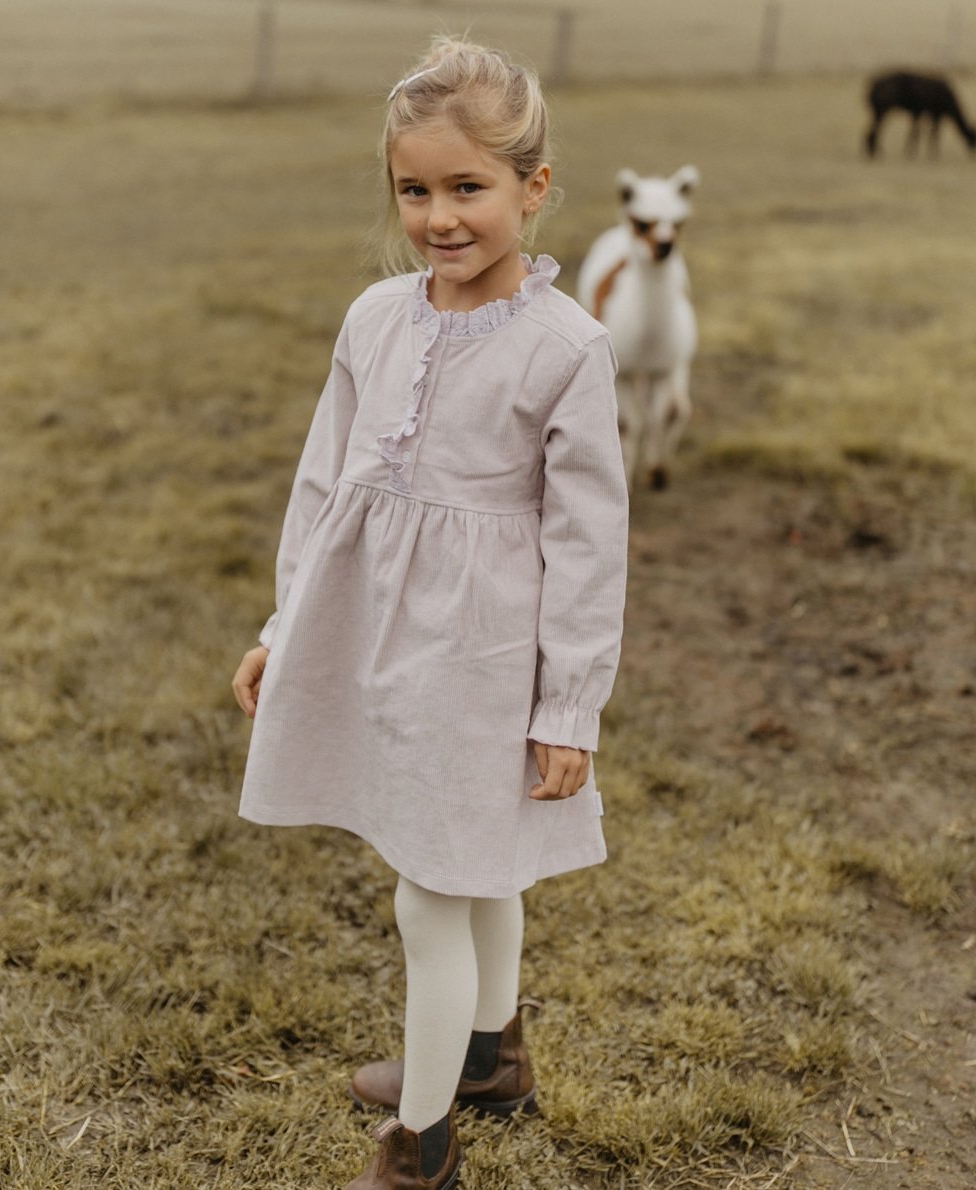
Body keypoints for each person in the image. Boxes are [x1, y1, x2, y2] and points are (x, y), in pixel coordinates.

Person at [231, 36, 628, 1189]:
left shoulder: (566, 350)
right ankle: (490, 1054)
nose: (441, 217)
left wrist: (568, 704)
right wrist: (278, 622)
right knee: (462, 863)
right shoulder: (374, 319)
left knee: (434, 886)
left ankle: (422, 1142)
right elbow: (323, 481)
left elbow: (588, 541)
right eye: (416, 190)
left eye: (470, 187)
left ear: (532, 187)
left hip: (482, 649)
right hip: (379, 634)